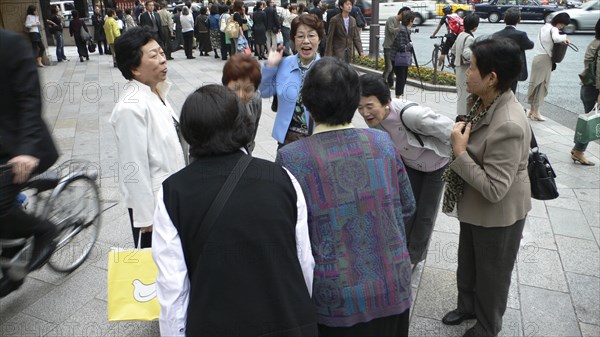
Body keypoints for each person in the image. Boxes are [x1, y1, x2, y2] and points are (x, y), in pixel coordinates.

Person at [153, 84, 317, 337]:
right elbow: (304, 260)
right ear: (243, 123)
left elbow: (173, 287)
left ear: (189, 131)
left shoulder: (173, 192)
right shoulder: (283, 178)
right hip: (288, 321)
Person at [276, 57, 415, 336]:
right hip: (392, 285)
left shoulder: (292, 158)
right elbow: (407, 206)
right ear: (354, 103)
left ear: (309, 105)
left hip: (334, 297)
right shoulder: (382, 143)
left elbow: (289, 236)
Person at [440, 38, 531, 337]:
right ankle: (467, 306)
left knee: (492, 273)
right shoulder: (482, 100)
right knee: (468, 261)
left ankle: (487, 325)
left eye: (473, 67)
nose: (466, 71)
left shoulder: (509, 123)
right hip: (474, 205)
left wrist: (461, 151)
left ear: (492, 78)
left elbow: (495, 190)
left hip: (498, 213)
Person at [358, 73, 453, 269]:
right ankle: (401, 250)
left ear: (386, 101)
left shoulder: (412, 115)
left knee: (425, 212)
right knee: (407, 207)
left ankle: (413, 258)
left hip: (436, 165)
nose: (365, 113)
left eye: (369, 106)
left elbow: (452, 131)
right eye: (360, 108)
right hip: (410, 164)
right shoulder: (375, 122)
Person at [110, 26, 187, 248]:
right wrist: (146, 218)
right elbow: (133, 165)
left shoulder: (156, 92)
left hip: (173, 196)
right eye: (153, 56)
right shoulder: (130, 107)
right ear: (134, 68)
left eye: (162, 53)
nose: (163, 59)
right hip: (155, 206)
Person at [0, 28, 59, 297]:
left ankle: (44, 230)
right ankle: (11, 256)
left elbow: (29, 100)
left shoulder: (10, 44)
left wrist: (25, 149)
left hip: (23, 146)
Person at [259, 14, 324, 147]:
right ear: (294, 39)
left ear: (319, 39)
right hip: (287, 140)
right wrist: (270, 67)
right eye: (300, 36)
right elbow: (264, 91)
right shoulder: (284, 64)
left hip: (318, 140)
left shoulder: (328, 68)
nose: (306, 41)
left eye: (311, 35)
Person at [527, 12, 570, 121]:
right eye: (563, 25)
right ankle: (536, 113)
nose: (563, 27)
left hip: (537, 58)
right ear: (560, 22)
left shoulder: (544, 27)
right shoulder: (554, 29)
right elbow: (556, 39)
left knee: (534, 85)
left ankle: (532, 110)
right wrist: (565, 37)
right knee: (541, 86)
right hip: (545, 59)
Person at [572, 18, 600, 166]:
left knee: (589, 121)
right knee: (591, 123)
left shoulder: (594, 42)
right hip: (594, 90)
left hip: (587, 88)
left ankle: (577, 149)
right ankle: (578, 151)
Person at [222, 54, 262, 153]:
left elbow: (252, 135)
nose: (240, 95)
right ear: (225, 84)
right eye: (235, 88)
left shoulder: (255, 100)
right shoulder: (215, 106)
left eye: (248, 89)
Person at [492, 8, 534, 94]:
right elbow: (530, 45)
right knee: (511, 92)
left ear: (504, 20)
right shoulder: (521, 35)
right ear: (519, 20)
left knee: (500, 91)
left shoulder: (496, 35)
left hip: (500, 68)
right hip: (515, 68)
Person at [451, 14, 480, 115]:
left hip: (458, 67)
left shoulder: (461, 34)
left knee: (461, 94)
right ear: (475, 26)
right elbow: (467, 53)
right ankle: (464, 116)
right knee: (466, 95)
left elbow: (453, 50)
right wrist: (478, 54)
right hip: (465, 69)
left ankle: (460, 115)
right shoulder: (470, 38)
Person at [383, 7, 410, 89]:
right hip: (388, 46)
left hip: (395, 49)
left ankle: (390, 84)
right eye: (405, 15)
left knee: (393, 69)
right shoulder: (391, 19)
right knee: (389, 68)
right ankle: (382, 82)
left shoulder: (401, 23)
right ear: (401, 13)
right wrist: (403, 28)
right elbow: (391, 30)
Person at [390, 10, 416, 98]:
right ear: (410, 20)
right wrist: (410, 45)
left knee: (402, 77)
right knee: (401, 78)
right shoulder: (402, 30)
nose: (413, 22)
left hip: (398, 58)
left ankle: (399, 96)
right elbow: (401, 47)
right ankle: (398, 97)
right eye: (413, 20)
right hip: (398, 58)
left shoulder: (403, 28)